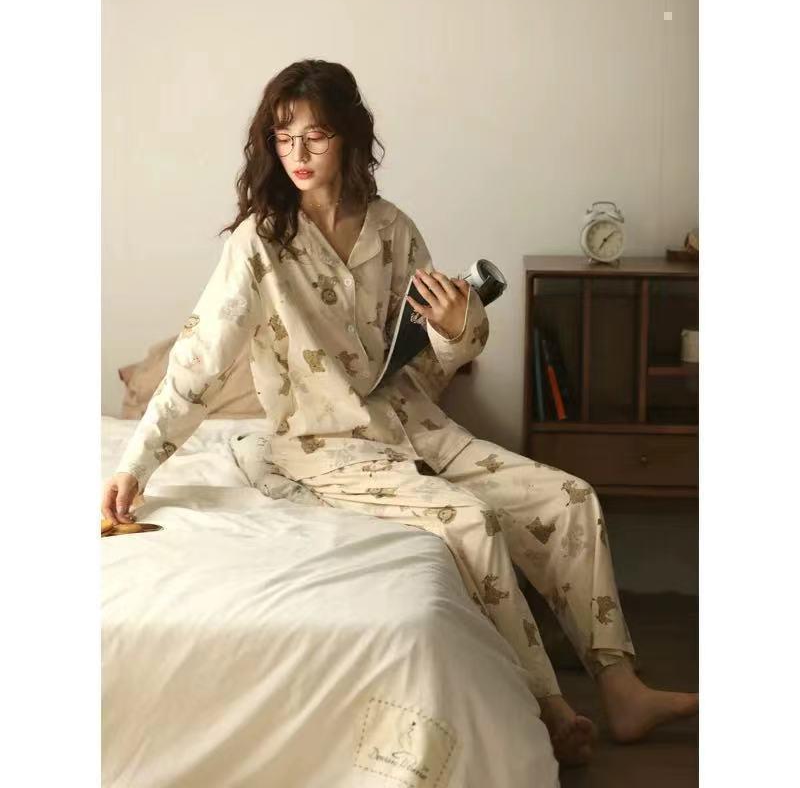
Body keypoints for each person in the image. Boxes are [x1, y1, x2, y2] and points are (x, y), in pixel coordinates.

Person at [101, 59, 698, 767]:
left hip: (417, 425)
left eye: (315, 136)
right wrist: (137, 464)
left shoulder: (392, 229)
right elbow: (198, 366)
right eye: (283, 137)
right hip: (325, 448)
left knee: (569, 498)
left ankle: (622, 690)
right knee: (470, 523)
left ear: (349, 137)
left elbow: (431, 362)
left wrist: (457, 326)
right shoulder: (260, 243)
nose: (296, 153)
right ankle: (550, 707)